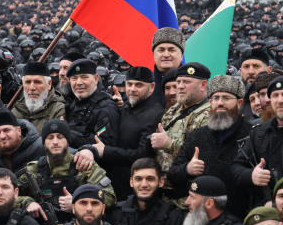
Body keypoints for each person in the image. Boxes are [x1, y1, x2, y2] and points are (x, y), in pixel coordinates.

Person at [167, 75, 252, 216]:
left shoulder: (252, 135)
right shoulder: (198, 135)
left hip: (237, 216)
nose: (220, 103)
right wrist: (187, 169)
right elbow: (173, 174)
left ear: (239, 103)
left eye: (226, 98)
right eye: (216, 98)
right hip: (199, 216)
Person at [19, 119, 115, 225]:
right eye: (50, 138)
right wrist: (27, 202)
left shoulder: (83, 165)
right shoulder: (34, 169)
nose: (55, 142)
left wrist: (78, 203)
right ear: (44, 143)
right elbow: (8, 195)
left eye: (60, 137)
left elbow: (110, 197)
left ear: (68, 141)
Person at [91, 66, 163, 202]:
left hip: (137, 189)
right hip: (115, 184)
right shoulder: (126, 106)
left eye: (139, 85)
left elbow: (142, 155)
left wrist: (106, 151)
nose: (132, 89)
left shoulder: (156, 114)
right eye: (129, 84)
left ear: (152, 87)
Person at [233, 75, 283, 200]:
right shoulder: (259, 132)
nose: (280, 100)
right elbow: (236, 167)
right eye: (275, 95)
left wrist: (278, 201)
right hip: (262, 209)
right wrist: (252, 175)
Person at [150, 63, 211, 202]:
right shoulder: (173, 110)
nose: (180, 86)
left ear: (203, 85)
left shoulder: (209, 114)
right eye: (178, 82)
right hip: (162, 192)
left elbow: (202, 157)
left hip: (187, 196)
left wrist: (169, 143)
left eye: (187, 82)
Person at [63, 59, 119, 147]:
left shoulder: (106, 108)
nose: (79, 83)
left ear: (96, 79)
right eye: (74, 78)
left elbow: (104, 146)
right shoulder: (71, 105)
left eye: (84, 77)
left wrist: (68, 135)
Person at [11, 62, 66, 137]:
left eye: (37, 82)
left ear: (49, 84)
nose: (32, 88)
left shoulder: (59, 109)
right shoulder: (16, 110)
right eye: (27, 82)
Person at [149, 28, 185, 108]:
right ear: (154, 55)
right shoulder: (144, 84)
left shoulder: (194, 84)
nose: (166, 55)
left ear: (181, 56)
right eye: (161, 50)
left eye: (171, 50)